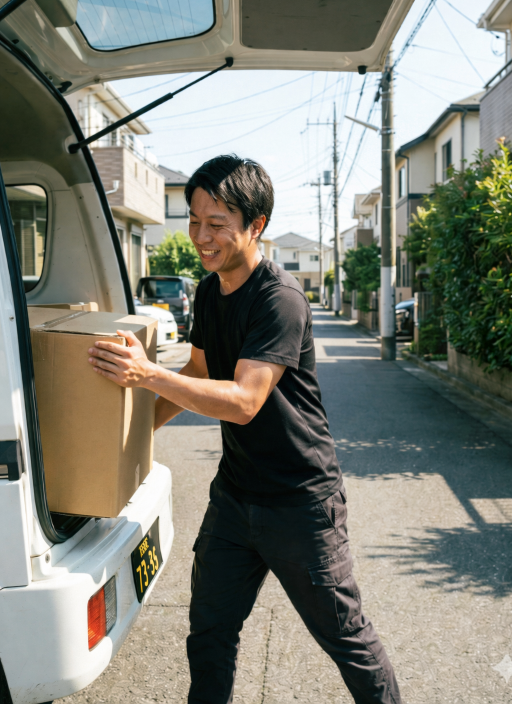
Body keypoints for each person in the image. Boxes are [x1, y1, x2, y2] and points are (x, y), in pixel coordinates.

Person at [88, 155, 402, 704]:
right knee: (209, 633)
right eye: (194, 220)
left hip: (301, 503)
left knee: (346, 638)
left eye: (217, 224)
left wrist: (147, 373)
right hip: (235, 498)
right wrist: (135, 438)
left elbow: (244, 401)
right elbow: (198, 371)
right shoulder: (209, 291)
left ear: (256, 225)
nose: (200, 237)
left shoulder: (280, 299)